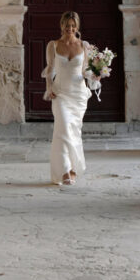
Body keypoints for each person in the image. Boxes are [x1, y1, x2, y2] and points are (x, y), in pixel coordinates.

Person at [41, 11, 94, 185]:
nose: (69, 28)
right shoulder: (53, 45)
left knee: (74, 132)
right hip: (60, 93)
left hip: (78, 95)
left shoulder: (84, 46)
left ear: (77, 27)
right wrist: (49, 88)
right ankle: (64, 171)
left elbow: (85, 70)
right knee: (63, 128)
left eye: (73, 25)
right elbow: (50, 69)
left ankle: (73, 169)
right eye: (66, 25)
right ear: (61, 25)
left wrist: (96, 75)